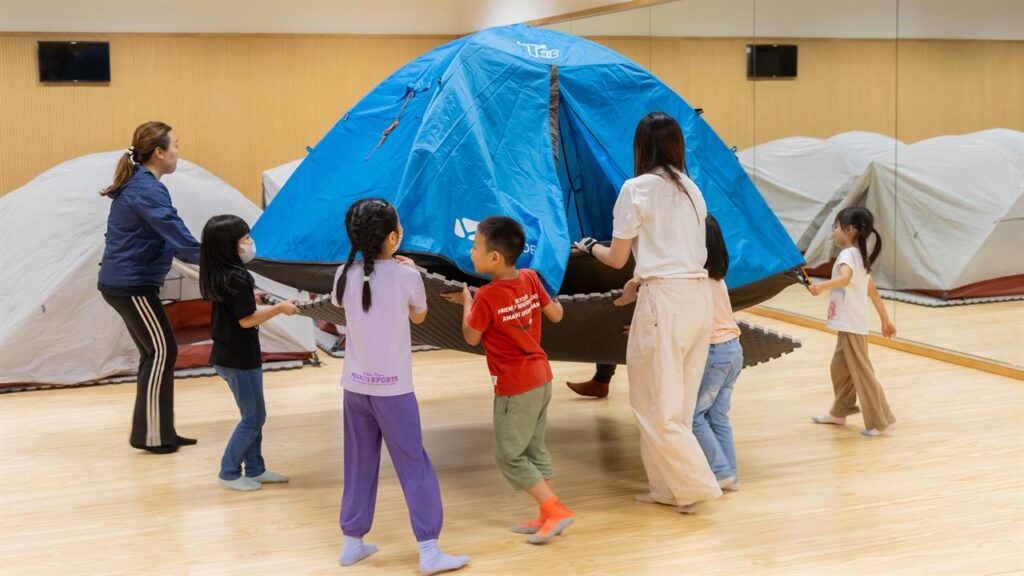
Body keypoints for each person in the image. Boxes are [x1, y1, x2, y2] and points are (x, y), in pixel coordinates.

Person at [576, 111, 721, 513]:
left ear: (640, 146)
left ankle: (697, 485)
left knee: (652, 403)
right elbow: (678, 252)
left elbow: (616, 257)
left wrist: (589, 246)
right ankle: (667, 488)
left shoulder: (636, 188)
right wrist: (639, 281)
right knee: (678, 405)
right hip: (698, 297)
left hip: (664, 301)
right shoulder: (692, 188)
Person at [332, 198, 469, 574]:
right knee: (413, 464)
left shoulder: (342, 274)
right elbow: (419, 316)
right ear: (393, 237)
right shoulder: (408, 275)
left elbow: (346, 304)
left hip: (355, 387)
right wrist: (408, 272)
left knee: (359, 462)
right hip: (393, 389)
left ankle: (352, 543)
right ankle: (429, 551)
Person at [443, 216, 576, 544]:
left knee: (508, 455)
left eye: (475, 245)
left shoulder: (486, 297)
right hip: (541, 377)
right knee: (535, 449)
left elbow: (472, 336)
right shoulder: (530, 277)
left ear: (493, 257)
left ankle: (555, 510)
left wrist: (468, 304)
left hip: (515, 387)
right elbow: (557, 315)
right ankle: (547, 514)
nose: (470, 251)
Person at [98, 121, 201, 454]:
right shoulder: (146, 188)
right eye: (175, 145)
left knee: (155, 353)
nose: (177, 152)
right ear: (159, 152)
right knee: (161, 351)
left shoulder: (143, 184)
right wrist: (221, 255)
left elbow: (171, 237)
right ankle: (153, 435)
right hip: (131, 284)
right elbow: (177, 233)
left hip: (127, 282)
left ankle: (159, 430)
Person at [199, 215, 299, 491]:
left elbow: (235, 305)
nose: (250, 243)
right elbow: (246, 320)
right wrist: (280, 308)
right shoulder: (238, 277)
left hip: (230, 356)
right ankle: (229, 472)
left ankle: (255, 469)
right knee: (253, 417)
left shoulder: (220, 274)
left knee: (255, 415)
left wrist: (255, 297)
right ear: (229, 245)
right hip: (238, 358)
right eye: (246, 239)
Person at [808, 206, 898, 436]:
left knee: (862, 373)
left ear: (849, 230)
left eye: (836, 227)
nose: (834, 232)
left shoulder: (848, 255)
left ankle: (881, 420)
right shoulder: (859, 256)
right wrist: (886, 320)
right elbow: (872, 290)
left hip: (851, 324)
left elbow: (845, 279)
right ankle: (840, 411)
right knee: (840, 368)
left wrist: (821, 286)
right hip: (849, 323)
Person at [691, 215, 742, 491]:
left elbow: (687, 317)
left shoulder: (697, 280)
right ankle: (730, 474)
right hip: (733, 350)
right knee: (718, 416)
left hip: (715, 353)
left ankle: (721, 471)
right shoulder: (718, 279)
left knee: (694, 416)